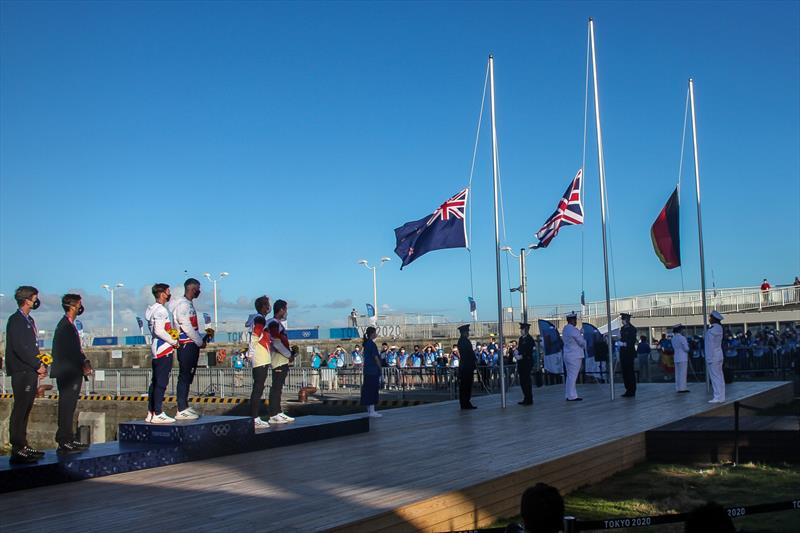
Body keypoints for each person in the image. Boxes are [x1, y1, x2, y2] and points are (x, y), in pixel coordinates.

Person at [5, 286, 47, 464]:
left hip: (30, 369)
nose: (36, 301)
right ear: (27, 300)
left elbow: (31, 346)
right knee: (21, 408)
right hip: (22, 370)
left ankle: (23, 443)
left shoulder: (28, 320)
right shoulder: (16, 320)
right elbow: (20, 347)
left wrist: (41, 363)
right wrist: (37, 365)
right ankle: (17, 447)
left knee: (27, 407)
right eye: (35, 298)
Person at [51, 293, 92, 453]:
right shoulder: (65, 327)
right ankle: (64, 439)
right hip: (68, 373)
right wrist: (82, 364)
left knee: (70, 406)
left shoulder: (69, 325)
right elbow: (69, 351)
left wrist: (84, 361)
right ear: (73, 306)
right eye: (79, 304)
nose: (81, 307)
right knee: (66, 406)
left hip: (72, 371)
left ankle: (68, 437)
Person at [169, 278, 207, 420]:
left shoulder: (188, 304)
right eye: (197, 288)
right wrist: (199, 341)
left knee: (188, 376)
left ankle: (184, 405)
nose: (199, 291)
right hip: (187, 344)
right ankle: (181, 408)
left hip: (191, 344)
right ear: (191, 289)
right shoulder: (183, 306)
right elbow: (185, 325)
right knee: (184, 376)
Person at [145, 283, 179, 424]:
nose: (170, 293)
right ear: (163, 293)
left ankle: (151, 412)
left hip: (157, 349)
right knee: (161, 383)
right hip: (163, 349)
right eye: (168, 291)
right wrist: (173, 341)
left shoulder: (152, 309)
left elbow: (161, 329)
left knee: (155, 382)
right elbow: (159, 331)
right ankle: (158, 412)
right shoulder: (161, 311)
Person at [267, 299, 296, 424]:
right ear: (281, 310)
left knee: (279, 387)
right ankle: (274, 414)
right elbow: (276, 341)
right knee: (276, 387)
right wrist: (288, 354)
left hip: (282, 359)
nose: (287, 312)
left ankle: (278, 412)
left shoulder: (277, 323)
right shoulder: (273, 323)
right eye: (286, 309)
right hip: (278, 359)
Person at [246, 314, 272, 429]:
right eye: (267, 304)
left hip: (262, 360)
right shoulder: (260, 319)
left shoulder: (258, 319)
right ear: (263, 307)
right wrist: (250, 354)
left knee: (259, 388)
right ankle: (254, 418)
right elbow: (254, 337)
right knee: (258, 389)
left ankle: (254, 417)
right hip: (260, 360)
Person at [562, 312, 586, 401]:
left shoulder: (565, 329)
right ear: (571, 320)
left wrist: (579, 332)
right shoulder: (573, 330)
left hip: (568, 355)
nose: (576, 321)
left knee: (569, 376)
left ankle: (569, 395)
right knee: (573, 376)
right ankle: (572, 396)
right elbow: (581, 342)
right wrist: (584, 341)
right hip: (575, 356)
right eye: (575, 320)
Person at [361, 326, 382, 417]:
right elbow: (376, 357)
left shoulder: (366, 344)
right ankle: (372, 411)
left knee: (368, 389)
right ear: (372, 334)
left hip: (367, 370)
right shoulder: (372, 344)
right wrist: (380, 367)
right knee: (373, 390)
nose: (376, 334)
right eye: (375, 332)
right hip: (373, 370)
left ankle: (370, 410)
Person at [705, 310, 726, 403]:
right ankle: (721, 396)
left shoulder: (712, 330)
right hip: (718, 355)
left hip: (713, 356)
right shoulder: (718, 328)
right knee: (719, 377)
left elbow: (710, 345)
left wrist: (708, 357)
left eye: (710, 317)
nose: (709, 319)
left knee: (715, 377)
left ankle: (717, 397)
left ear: (714, 319)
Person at [457, 324, 477, 409]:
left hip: (465, 365)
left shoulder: (462, 341)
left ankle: (464, 403)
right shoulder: (464, 341)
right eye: (467, 332)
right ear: (463, 332)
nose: (468, 333)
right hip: (467, 366)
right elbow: (469, 353)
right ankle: (465, 403)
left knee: (465, 385)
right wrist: (474, 360)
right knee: (466, 385)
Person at [619, 312, 638, 397]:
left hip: (629, 353)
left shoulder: (632, 329)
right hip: (623, 352)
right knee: (624, 372)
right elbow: (621, 338)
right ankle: (627, 389)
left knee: (630, 371)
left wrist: (624, 344)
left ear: (626, 320)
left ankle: (632, 390)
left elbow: (632, 341)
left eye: (623, 319)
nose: (622, 321)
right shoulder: (622, 329)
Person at [517, 322, 534, 406]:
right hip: (521, 363)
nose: (521, 331)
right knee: (522, 381)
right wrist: (517, 353)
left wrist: (522, 355)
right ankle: (525, 397)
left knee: (527, 381)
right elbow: (520, 349)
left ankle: (529, 399)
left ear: (526, 330)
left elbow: (529, 351)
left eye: (522, 329)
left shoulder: (529, 339)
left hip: (527, 362)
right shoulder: (521, 339)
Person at [672, 324, 690, 393]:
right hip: (683, 357)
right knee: (682, 373)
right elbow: (686, 349)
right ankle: (682, 388)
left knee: (677, 373)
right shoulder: (682, 338)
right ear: (680, 330)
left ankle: (678, 388)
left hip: (676, 357)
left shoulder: (673, 338)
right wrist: (688, 348)